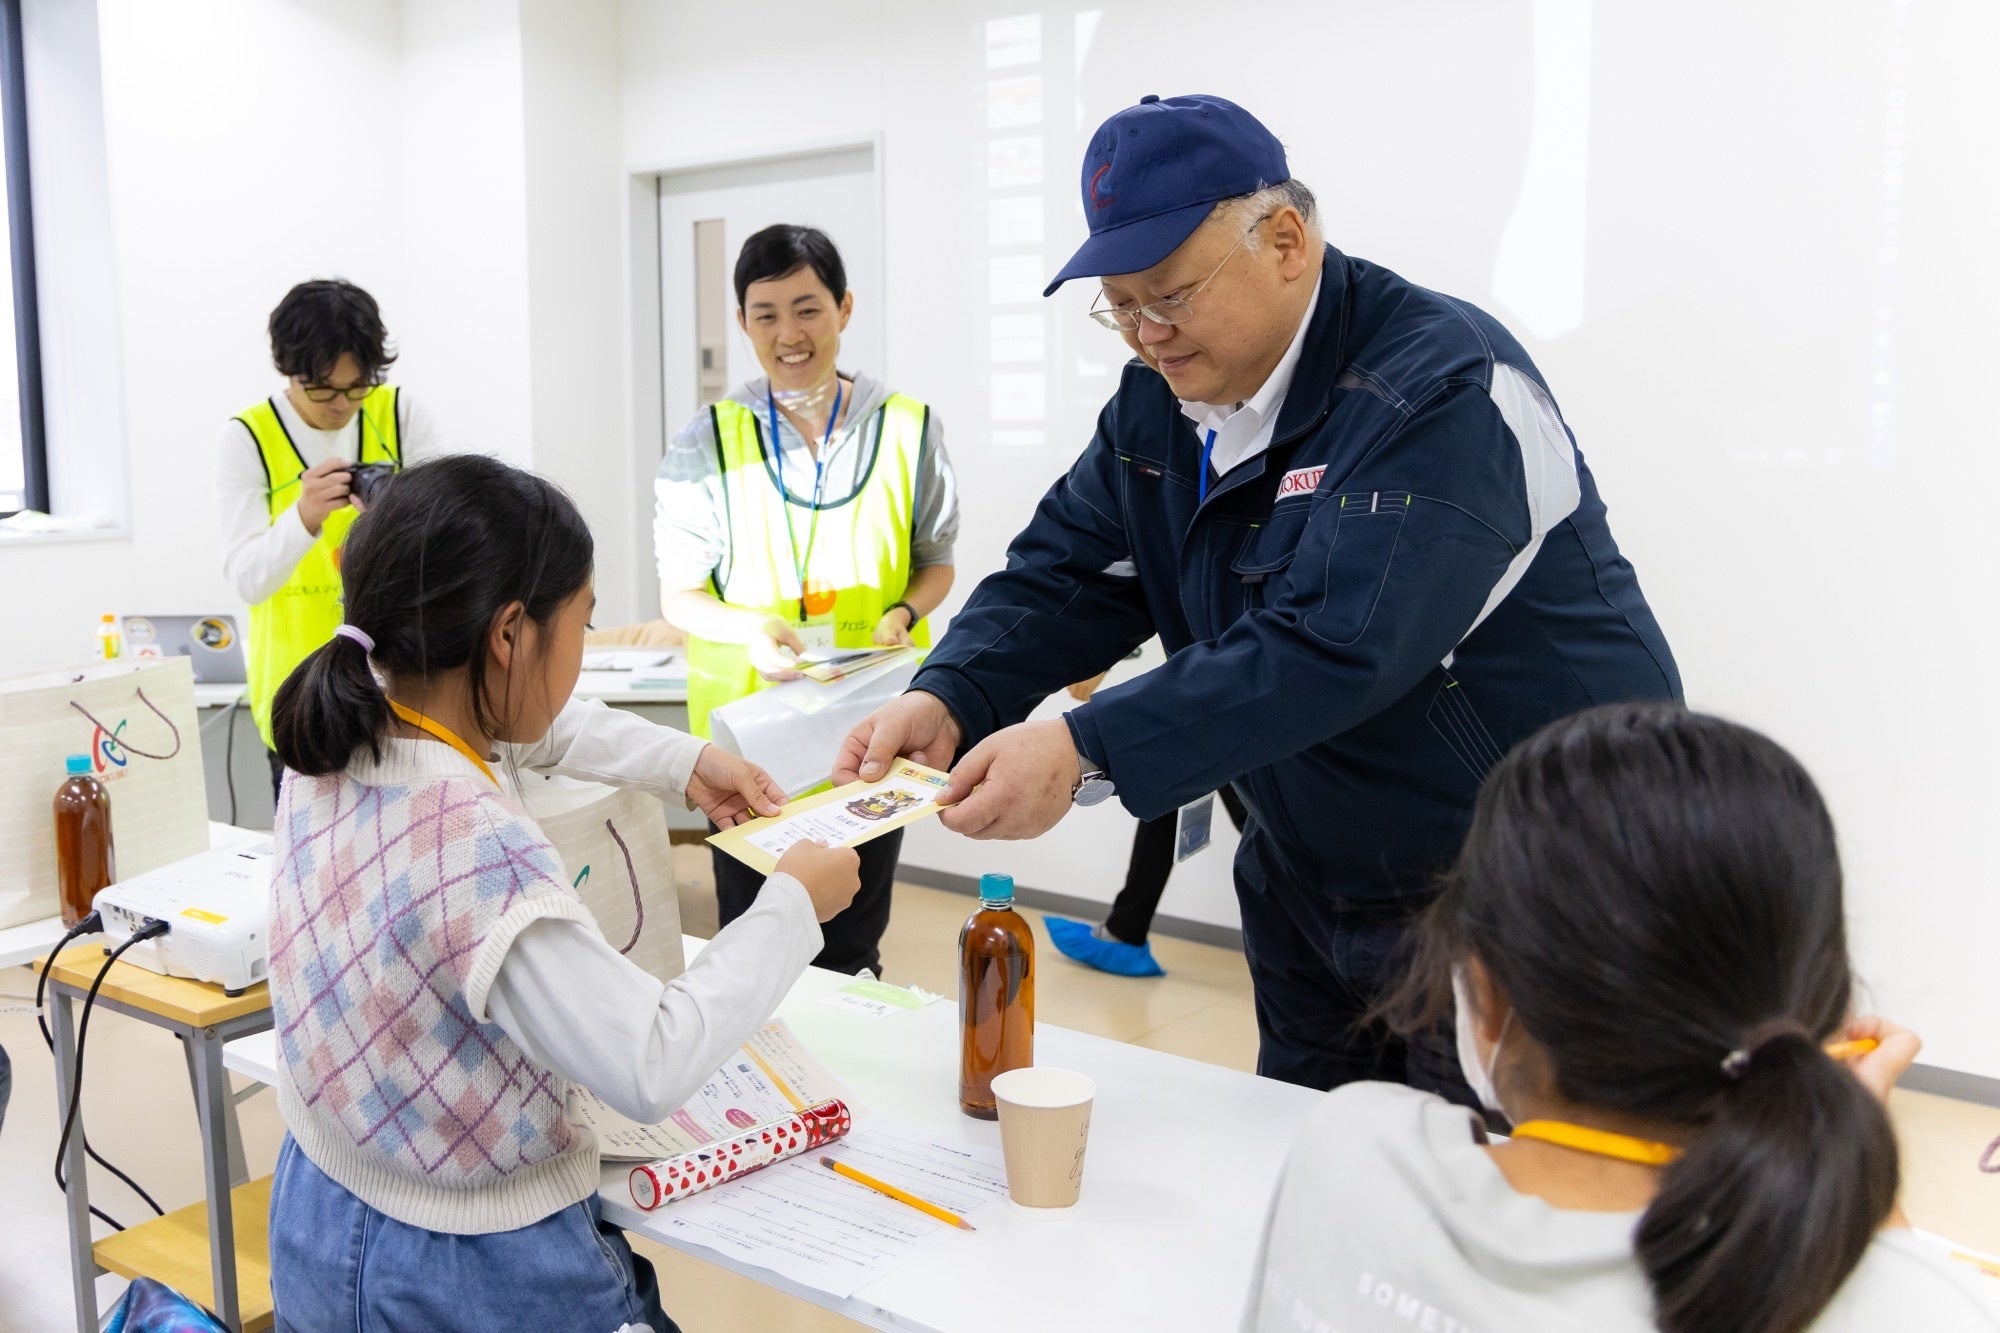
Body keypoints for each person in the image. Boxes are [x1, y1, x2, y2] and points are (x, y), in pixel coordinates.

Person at [838, 94, 1680, 1098]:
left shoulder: (1438, 391)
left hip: (1519, 883)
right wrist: (953, 691)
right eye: (1119, 304)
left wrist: (1084, 749)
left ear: (1285, 239)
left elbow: (1329, 646)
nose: (1145, 335)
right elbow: (1068, 569)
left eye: (1168, 295)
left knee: (1498, 1198)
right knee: (1307, 1153)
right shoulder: (1159, 403)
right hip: (1308, 870)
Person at [263, 455, 863, 1332]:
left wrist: (685, 763)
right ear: (510, 634)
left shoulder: (337, 736)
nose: (585, 651)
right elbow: (649, 1060)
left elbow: (538, 728)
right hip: (470, 1271)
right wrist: (792, 906)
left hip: (318, 1214)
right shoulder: (479, 845)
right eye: (583, 622)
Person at [1242, 702, 2000, 1332]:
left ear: (1486, 989)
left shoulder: (1351, 1148)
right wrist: (1857, 1175)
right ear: (1821, 1006)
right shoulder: (1916, 1304)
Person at [656, 223, 959, 978]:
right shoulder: (706, 442)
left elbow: (936, 565)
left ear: (845, 308)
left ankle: (850, 1097)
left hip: (869, 737)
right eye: (766, 314)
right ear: (742, 322)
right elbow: (681, 597)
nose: (789, 334)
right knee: (751, 950)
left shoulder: (907, 427)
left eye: (808, 308)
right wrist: (752, 626)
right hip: (750, 750)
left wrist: (906, 613)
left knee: (853, 947)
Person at [215, 278, 448, 804]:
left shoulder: (400, 414)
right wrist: (303, 516)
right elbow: (249, 580)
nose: (341, 404)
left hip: (404, 682)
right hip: (302, 693)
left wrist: (397, 513)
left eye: (357, 385)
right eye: (321, 388)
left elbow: (448, 539)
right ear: (286, 369)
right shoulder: (247, 437)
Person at [1044, 672, 1246, 978]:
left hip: (1227, 682)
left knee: (1258, 813)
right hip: (1213, 683)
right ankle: (1125, 930)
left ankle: (1125, 931)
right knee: (1169, 787)